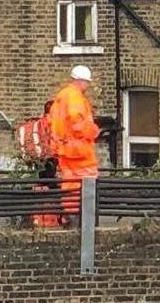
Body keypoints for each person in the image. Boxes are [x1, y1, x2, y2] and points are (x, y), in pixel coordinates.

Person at [50, 65, 100, 224]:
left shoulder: (62, 95)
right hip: (79, 150)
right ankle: (83, 220)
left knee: (70, 184)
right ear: (82, 81)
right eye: (87, 82)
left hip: (65, 150)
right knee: (88, 182)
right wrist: (92, 131)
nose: (88, 86)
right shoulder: (75, 96)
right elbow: (76, 120)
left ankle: (70, 216)